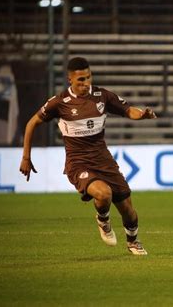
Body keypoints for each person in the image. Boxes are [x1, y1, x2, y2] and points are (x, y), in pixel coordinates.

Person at [19, 57, 157, 255]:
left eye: (88, 78)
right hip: (78, 162)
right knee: (103, 194)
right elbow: (31, 123)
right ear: (70, 80)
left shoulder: (102, 96)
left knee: (128, 209)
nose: (85, 83)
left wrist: (142, 114)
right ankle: (103, 220)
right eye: (80, 80)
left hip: (103, 159)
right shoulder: (59, 102)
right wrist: (26, 157)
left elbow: (128, 110)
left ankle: (133, 241)